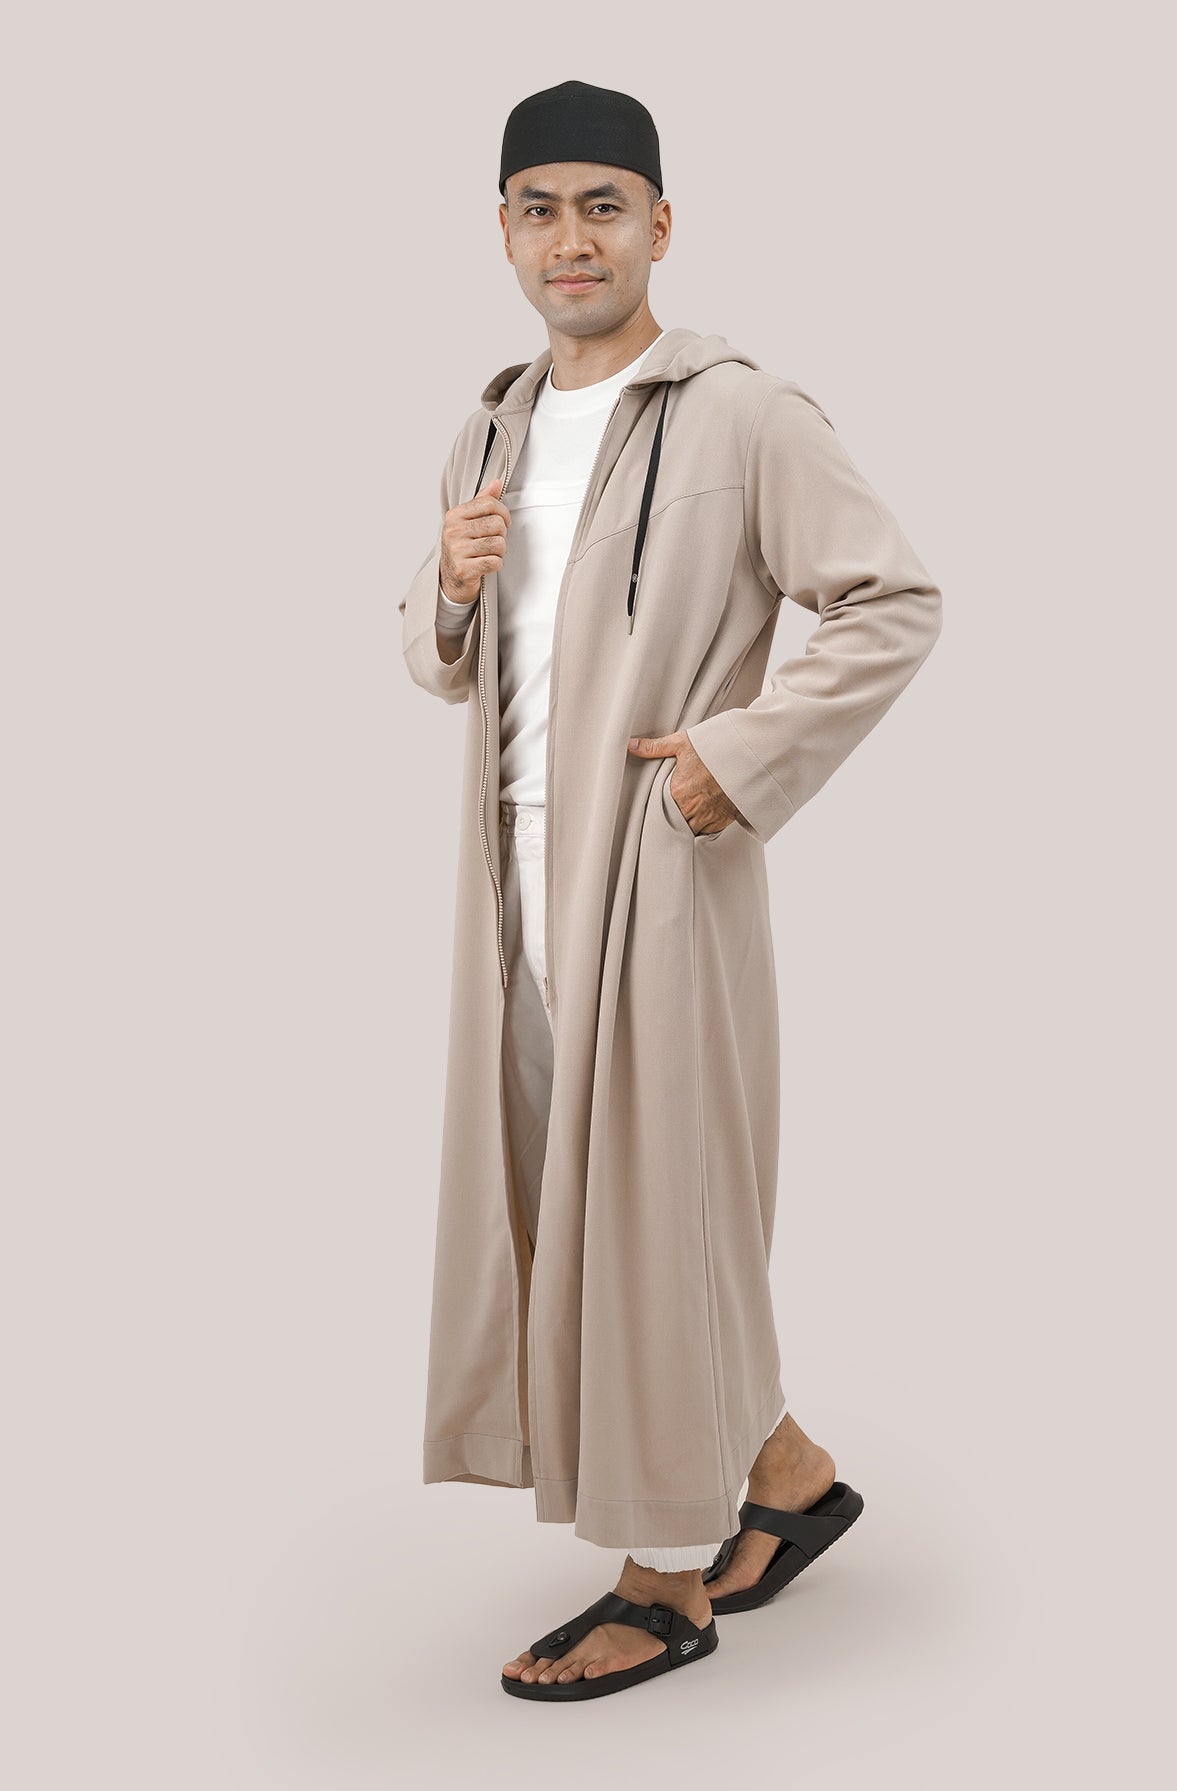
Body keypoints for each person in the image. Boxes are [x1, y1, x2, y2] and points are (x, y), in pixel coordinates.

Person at [399, 79, 943, 1702]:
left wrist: (739, 756)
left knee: (660, 1212)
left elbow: (892, 600)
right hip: (510, 895)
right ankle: (786, 1477)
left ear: (659, 225)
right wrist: (446, 585)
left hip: (660, 877)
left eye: (603, 206)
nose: (571, 239)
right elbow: (440, 664)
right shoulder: (490, 426)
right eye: (540, 208)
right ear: (503, 231)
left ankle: (665, 1579)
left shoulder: (741, 416)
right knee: (590, 1204)